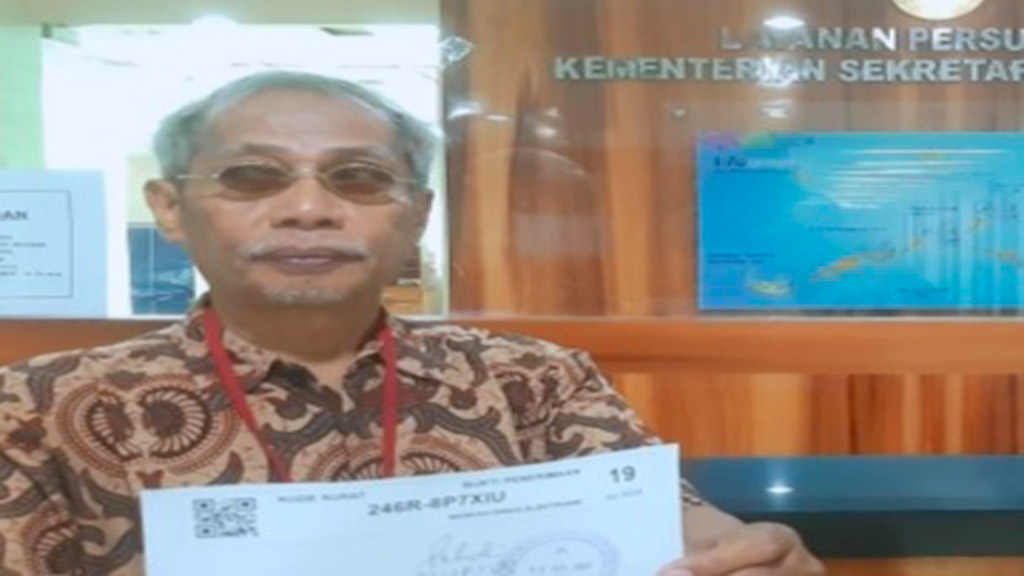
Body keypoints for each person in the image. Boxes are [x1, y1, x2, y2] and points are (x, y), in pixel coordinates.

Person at [0, 71, 823, 575]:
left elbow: (676, 523)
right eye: (253, 177)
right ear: (170, 208)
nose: (310, 210)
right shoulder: (36, 409)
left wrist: (749, 555)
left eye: (358, 178)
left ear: (418, 215)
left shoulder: (532, 378)